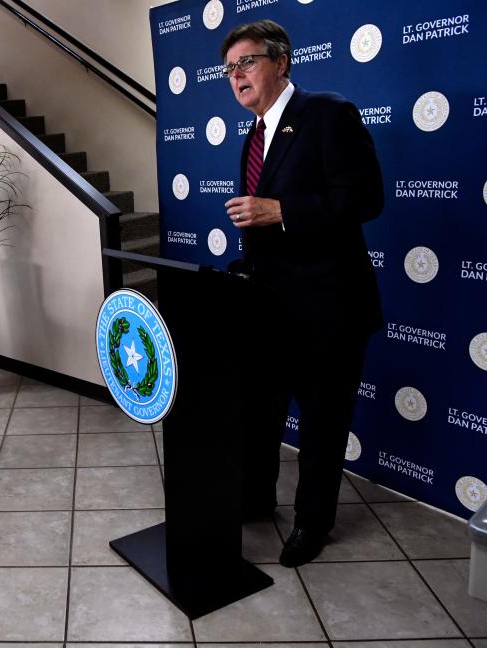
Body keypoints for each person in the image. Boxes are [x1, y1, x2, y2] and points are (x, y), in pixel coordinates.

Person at [220, 20, 383, 566]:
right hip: (269, 308)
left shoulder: (328, 113)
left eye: (246, 63)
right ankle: (255, 501)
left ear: (282, 61)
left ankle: (313, 523)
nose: (235, 76)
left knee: (322, 422)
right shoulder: (254, 133)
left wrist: (281, 211)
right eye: (229, 69)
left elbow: (366, 198)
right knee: (261, 412)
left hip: (329, 308)